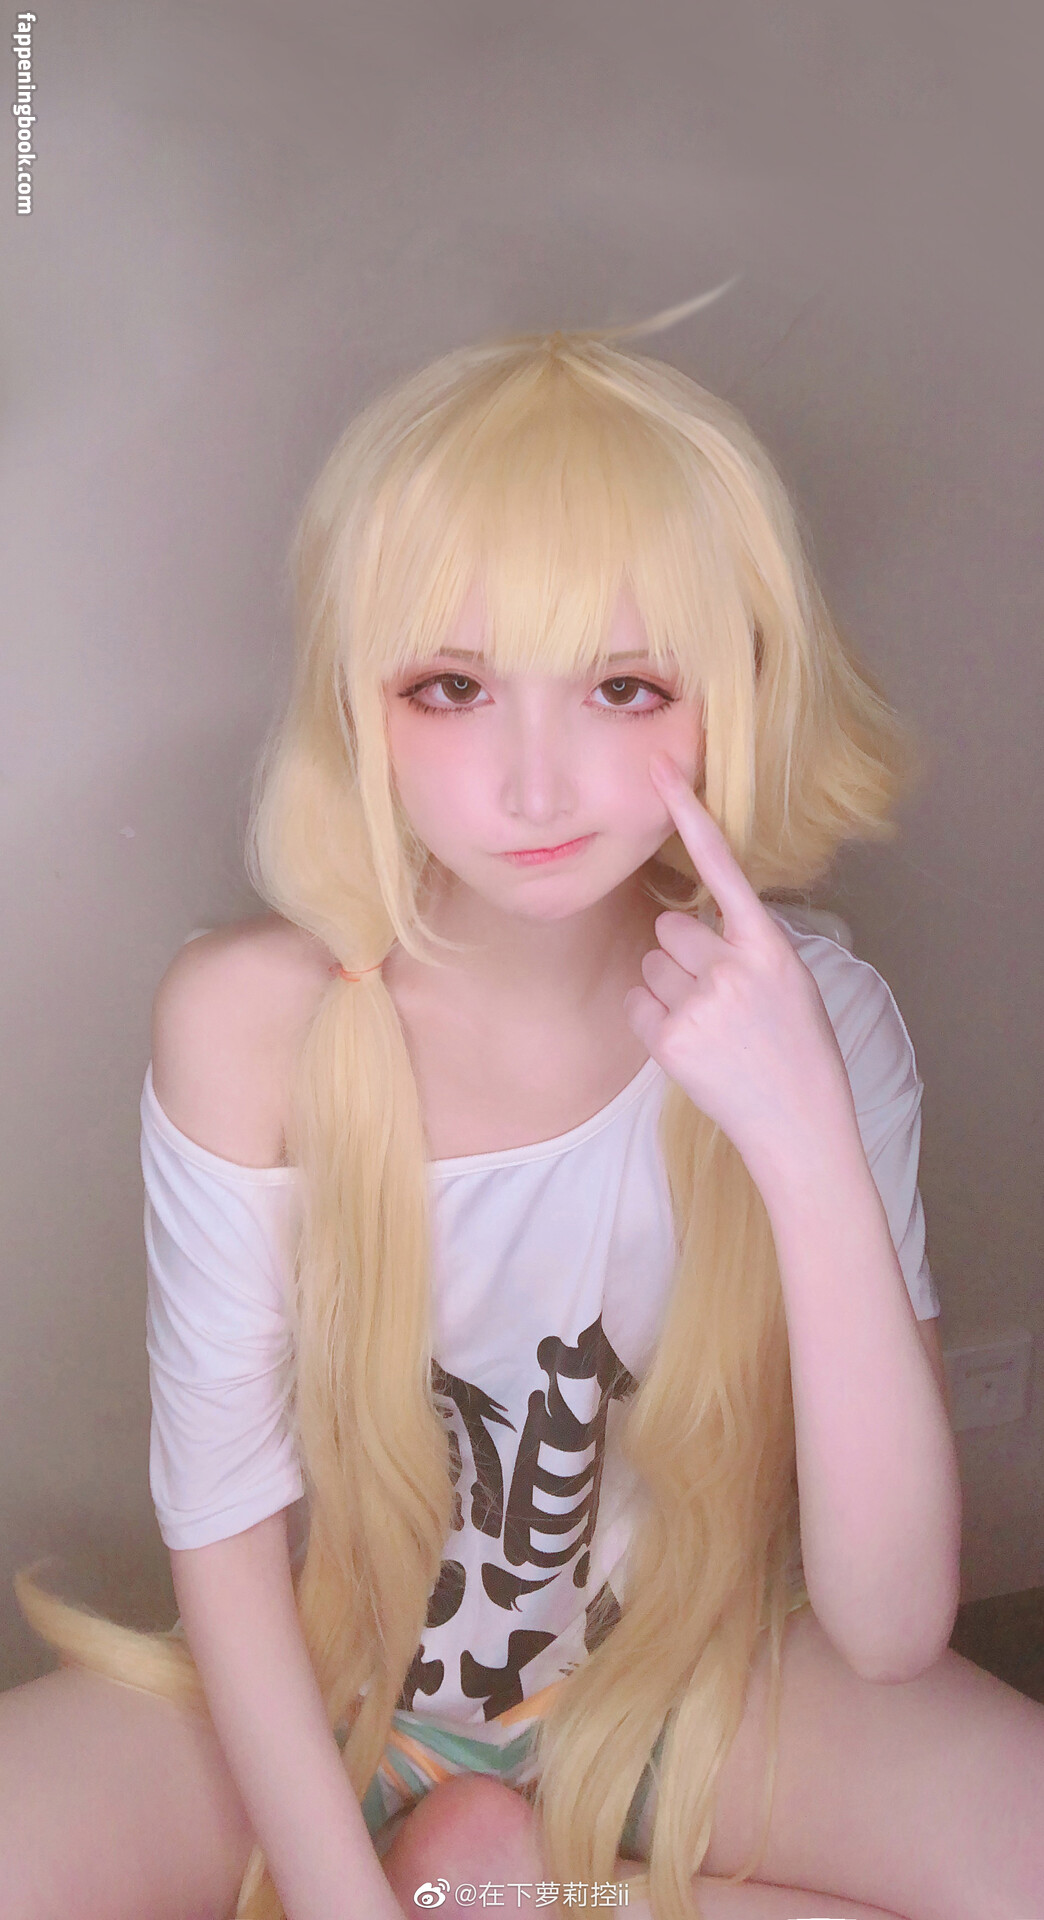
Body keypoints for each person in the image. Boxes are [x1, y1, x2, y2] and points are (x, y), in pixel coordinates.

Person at [4, 303, 1043, 1920]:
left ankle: (498, 1887)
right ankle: (468, 1884)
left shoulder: (812, 1021)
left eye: (625, 686)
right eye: (452, 687)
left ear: (735, 694)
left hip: (679, 1676)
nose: (536, 785)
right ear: (359, 701)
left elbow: (895, 1624)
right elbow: (223, 1531)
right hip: (324, 1685)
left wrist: (801, 1135)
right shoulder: (253, 1025)